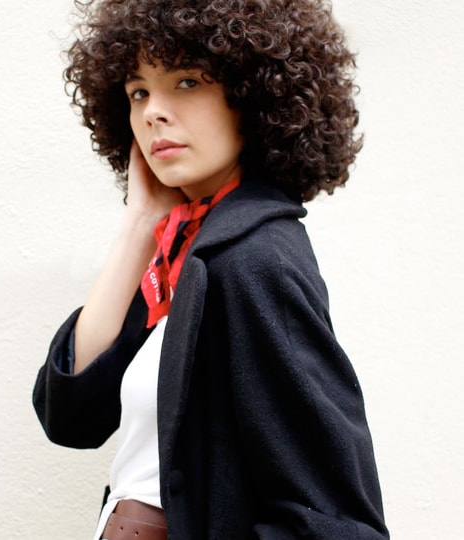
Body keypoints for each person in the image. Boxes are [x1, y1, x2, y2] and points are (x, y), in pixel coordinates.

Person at [33, 0, 390, 538]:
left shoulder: (251, 256)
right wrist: (140, 224)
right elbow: (71, 416)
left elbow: (332, 515)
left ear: (253, 96)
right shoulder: (183, 252)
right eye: (138, 91)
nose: (153, 111)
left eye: (187, 82)